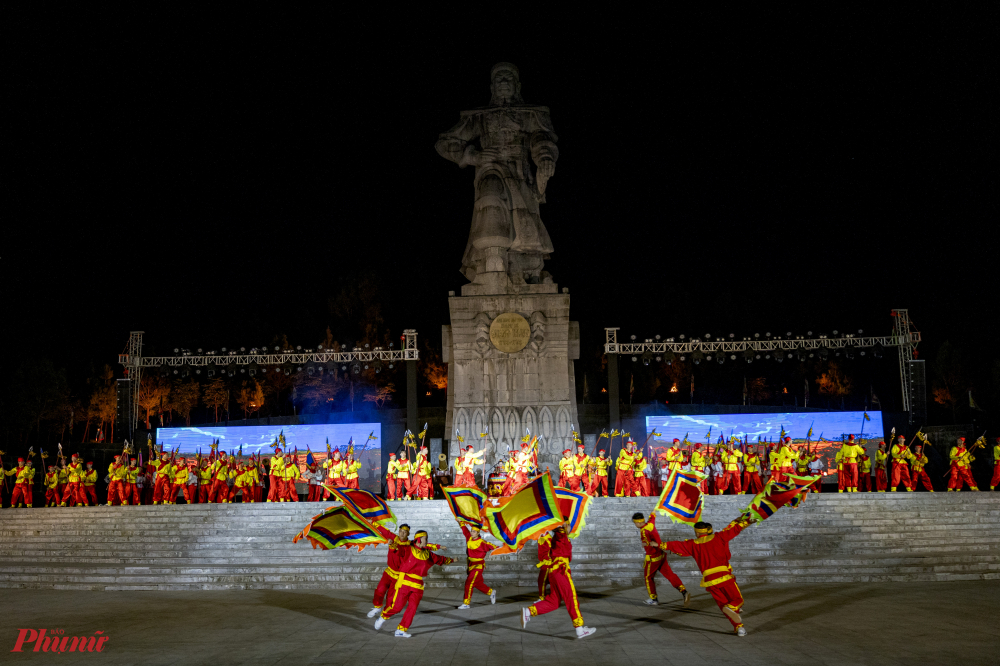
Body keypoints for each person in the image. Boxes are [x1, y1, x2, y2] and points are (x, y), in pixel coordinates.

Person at [664, 519, 751, 637]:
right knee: (737, 600)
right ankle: (731, 608)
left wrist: (661, 544)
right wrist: (746, 522)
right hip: (724, 576)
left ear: (697, 532)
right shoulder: (719, 537)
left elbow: (677, 545)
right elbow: (734, 530)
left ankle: (739, 628)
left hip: (709, 581)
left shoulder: (693, 543)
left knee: (723, 605)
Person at [520, 526, 597, 639]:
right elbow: (561, 528)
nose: (570, 526)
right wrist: (562, 524)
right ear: (563, 525)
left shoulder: (558, 536)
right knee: (571, 598)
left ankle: (528, 611)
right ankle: (580, 629)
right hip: (561, 572)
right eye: (568, 524)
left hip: (555, 572)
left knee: (554, 602)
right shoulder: (560, 535)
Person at [375, 529, 454, 638]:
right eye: (425, 538)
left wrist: (452, 560)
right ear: (418, 539)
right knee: (397, 607)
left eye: (427, 538)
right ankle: (383, 616)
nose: (426, 540)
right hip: (405, 582)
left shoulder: (427, 554)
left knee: (412, 608)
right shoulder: (408, 549)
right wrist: (392, 544)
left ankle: (401, 630)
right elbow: (398, 549)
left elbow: (440, 559)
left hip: (418, 585)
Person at [632, 512, 689, 606]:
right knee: (670, 574)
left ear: (638, 523)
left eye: (635, 523)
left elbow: (649, 543)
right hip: (661, 555)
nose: (635, 525)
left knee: (648, 577)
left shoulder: (643, 531)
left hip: (653, 558)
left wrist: (645, 544)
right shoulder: (650, 524)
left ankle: (653, 599)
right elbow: (652, 518)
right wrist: (653, 513)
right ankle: (683, 590)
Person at [367, 523, 412, 618]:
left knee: (391, 596)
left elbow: (401, 551)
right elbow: (385, 531)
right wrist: (373, 523)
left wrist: (393, 545)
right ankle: (377, 606)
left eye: (405, 532)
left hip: (399, 575)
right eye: (400, 531)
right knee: (380, 589)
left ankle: (385, 613)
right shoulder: (394, 538)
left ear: (408, 534)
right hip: (389, 571)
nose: (402, 534)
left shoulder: (409, 545)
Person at [457, 522, 497, 609]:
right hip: (470, 564)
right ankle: (491, 592)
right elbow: (464, 530)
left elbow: (494, 547)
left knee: (469, 583)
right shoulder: (469, 538)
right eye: (472, 531)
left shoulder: (482, 542)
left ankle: (466, 603)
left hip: (478, 565)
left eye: (474, 531)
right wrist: (459, 521)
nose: (472, 533)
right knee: (477, 583)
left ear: (478, 533)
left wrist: (508, 548)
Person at [535, 531, 552, 601]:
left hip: (547, 564)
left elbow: (552, 551)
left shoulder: (547, 539)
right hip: (545, 563)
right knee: (549, 581)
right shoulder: (542, 537)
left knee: (541, 581)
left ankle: (542, 598)